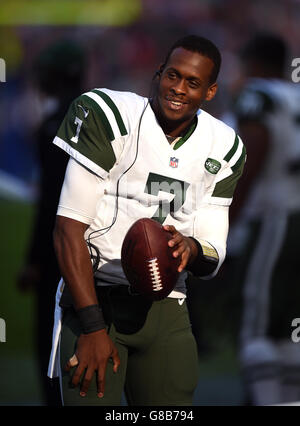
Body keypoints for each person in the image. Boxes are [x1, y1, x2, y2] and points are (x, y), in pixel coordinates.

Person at [47, 35, 246, 406]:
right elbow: (67, 229)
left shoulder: (224, 145)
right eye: (173, 75)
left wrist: (191, 248)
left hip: (167, 306)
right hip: (97, 296)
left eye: (193, 83)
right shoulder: (110, 115)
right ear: (158, 74)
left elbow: (214, 253)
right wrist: (91, 326)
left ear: (211, 91)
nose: (179, 89)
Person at [228, 33, 300, 405]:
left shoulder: (258, 95)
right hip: (294, 216)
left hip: (275, 220)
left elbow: (253, 150)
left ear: (253, 62)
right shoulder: (295, 95)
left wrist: (226, 217)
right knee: (287, 333)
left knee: (255, 329)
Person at [17, 40, 85, 405]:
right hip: (98, 246)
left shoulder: (53, 124)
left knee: (53, 344)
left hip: (62, 250)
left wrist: (34, 260)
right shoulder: (99, 117)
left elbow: (51, 204)